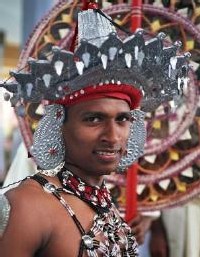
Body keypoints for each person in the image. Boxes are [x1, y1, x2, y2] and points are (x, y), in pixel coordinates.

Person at [0, 2, 189, 257]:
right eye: (93, 119)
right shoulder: (27, 205)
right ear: (59, 122)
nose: (112, 137)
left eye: (122, 119)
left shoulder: (103, 200)